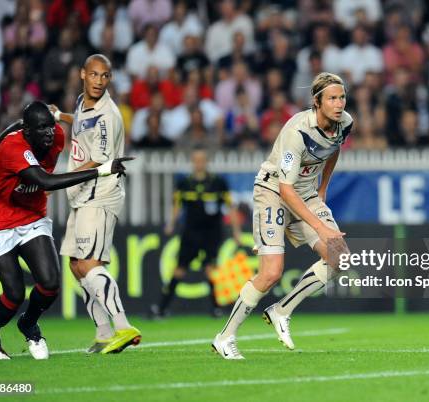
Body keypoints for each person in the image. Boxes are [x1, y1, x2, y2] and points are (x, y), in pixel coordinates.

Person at [0, 101, 130, 360]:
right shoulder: (14, 148)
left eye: (50, 126)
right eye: (41, 128)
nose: (49, 132)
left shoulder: (54, 135)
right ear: (28, 132)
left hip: (31, 216)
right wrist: (100, 171)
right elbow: (45, 181)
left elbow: (23, 123)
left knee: (50, 283)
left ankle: (28, 323)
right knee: (14, 292)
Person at [211, 72, 352, 359]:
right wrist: (321, 228)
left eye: (342, 97)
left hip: (307, 194)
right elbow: (286, 191)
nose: (339, 104)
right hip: (274, 191)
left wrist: (322, 188)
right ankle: (225, 337)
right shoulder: (296, 132)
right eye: (332, 99)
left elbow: (333, 149)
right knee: (271, 273)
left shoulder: (345, 123)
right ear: (317, 102)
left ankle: (281, 310)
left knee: (340, 258)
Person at [50, 54, 141, 354]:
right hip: (82, 194)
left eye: (105, 76)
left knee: (89, 263)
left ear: (110, 79)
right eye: (94, 75)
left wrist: (58, 180)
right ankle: (103, 332)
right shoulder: (82, 103)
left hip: (99, 193)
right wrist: (60, 116)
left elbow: (97, 160)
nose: (99, 81)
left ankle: (124, 327)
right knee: (76, 264)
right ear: (82, 75)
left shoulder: (108, 115)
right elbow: (81, 123)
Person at [149, 147, 242, 319]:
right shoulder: (185, 183)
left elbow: (231, 207)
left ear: (206, 162)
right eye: (196, 160)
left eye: (202, 159)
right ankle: (161, 308)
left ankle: (216, 308)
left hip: (211, 233)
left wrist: (236, 232)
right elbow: (177, 205)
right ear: (192, 161)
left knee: (210, 269)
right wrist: (171, 224)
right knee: (179, 269)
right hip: (191, 232)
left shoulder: (218, 183)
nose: (199, 163)